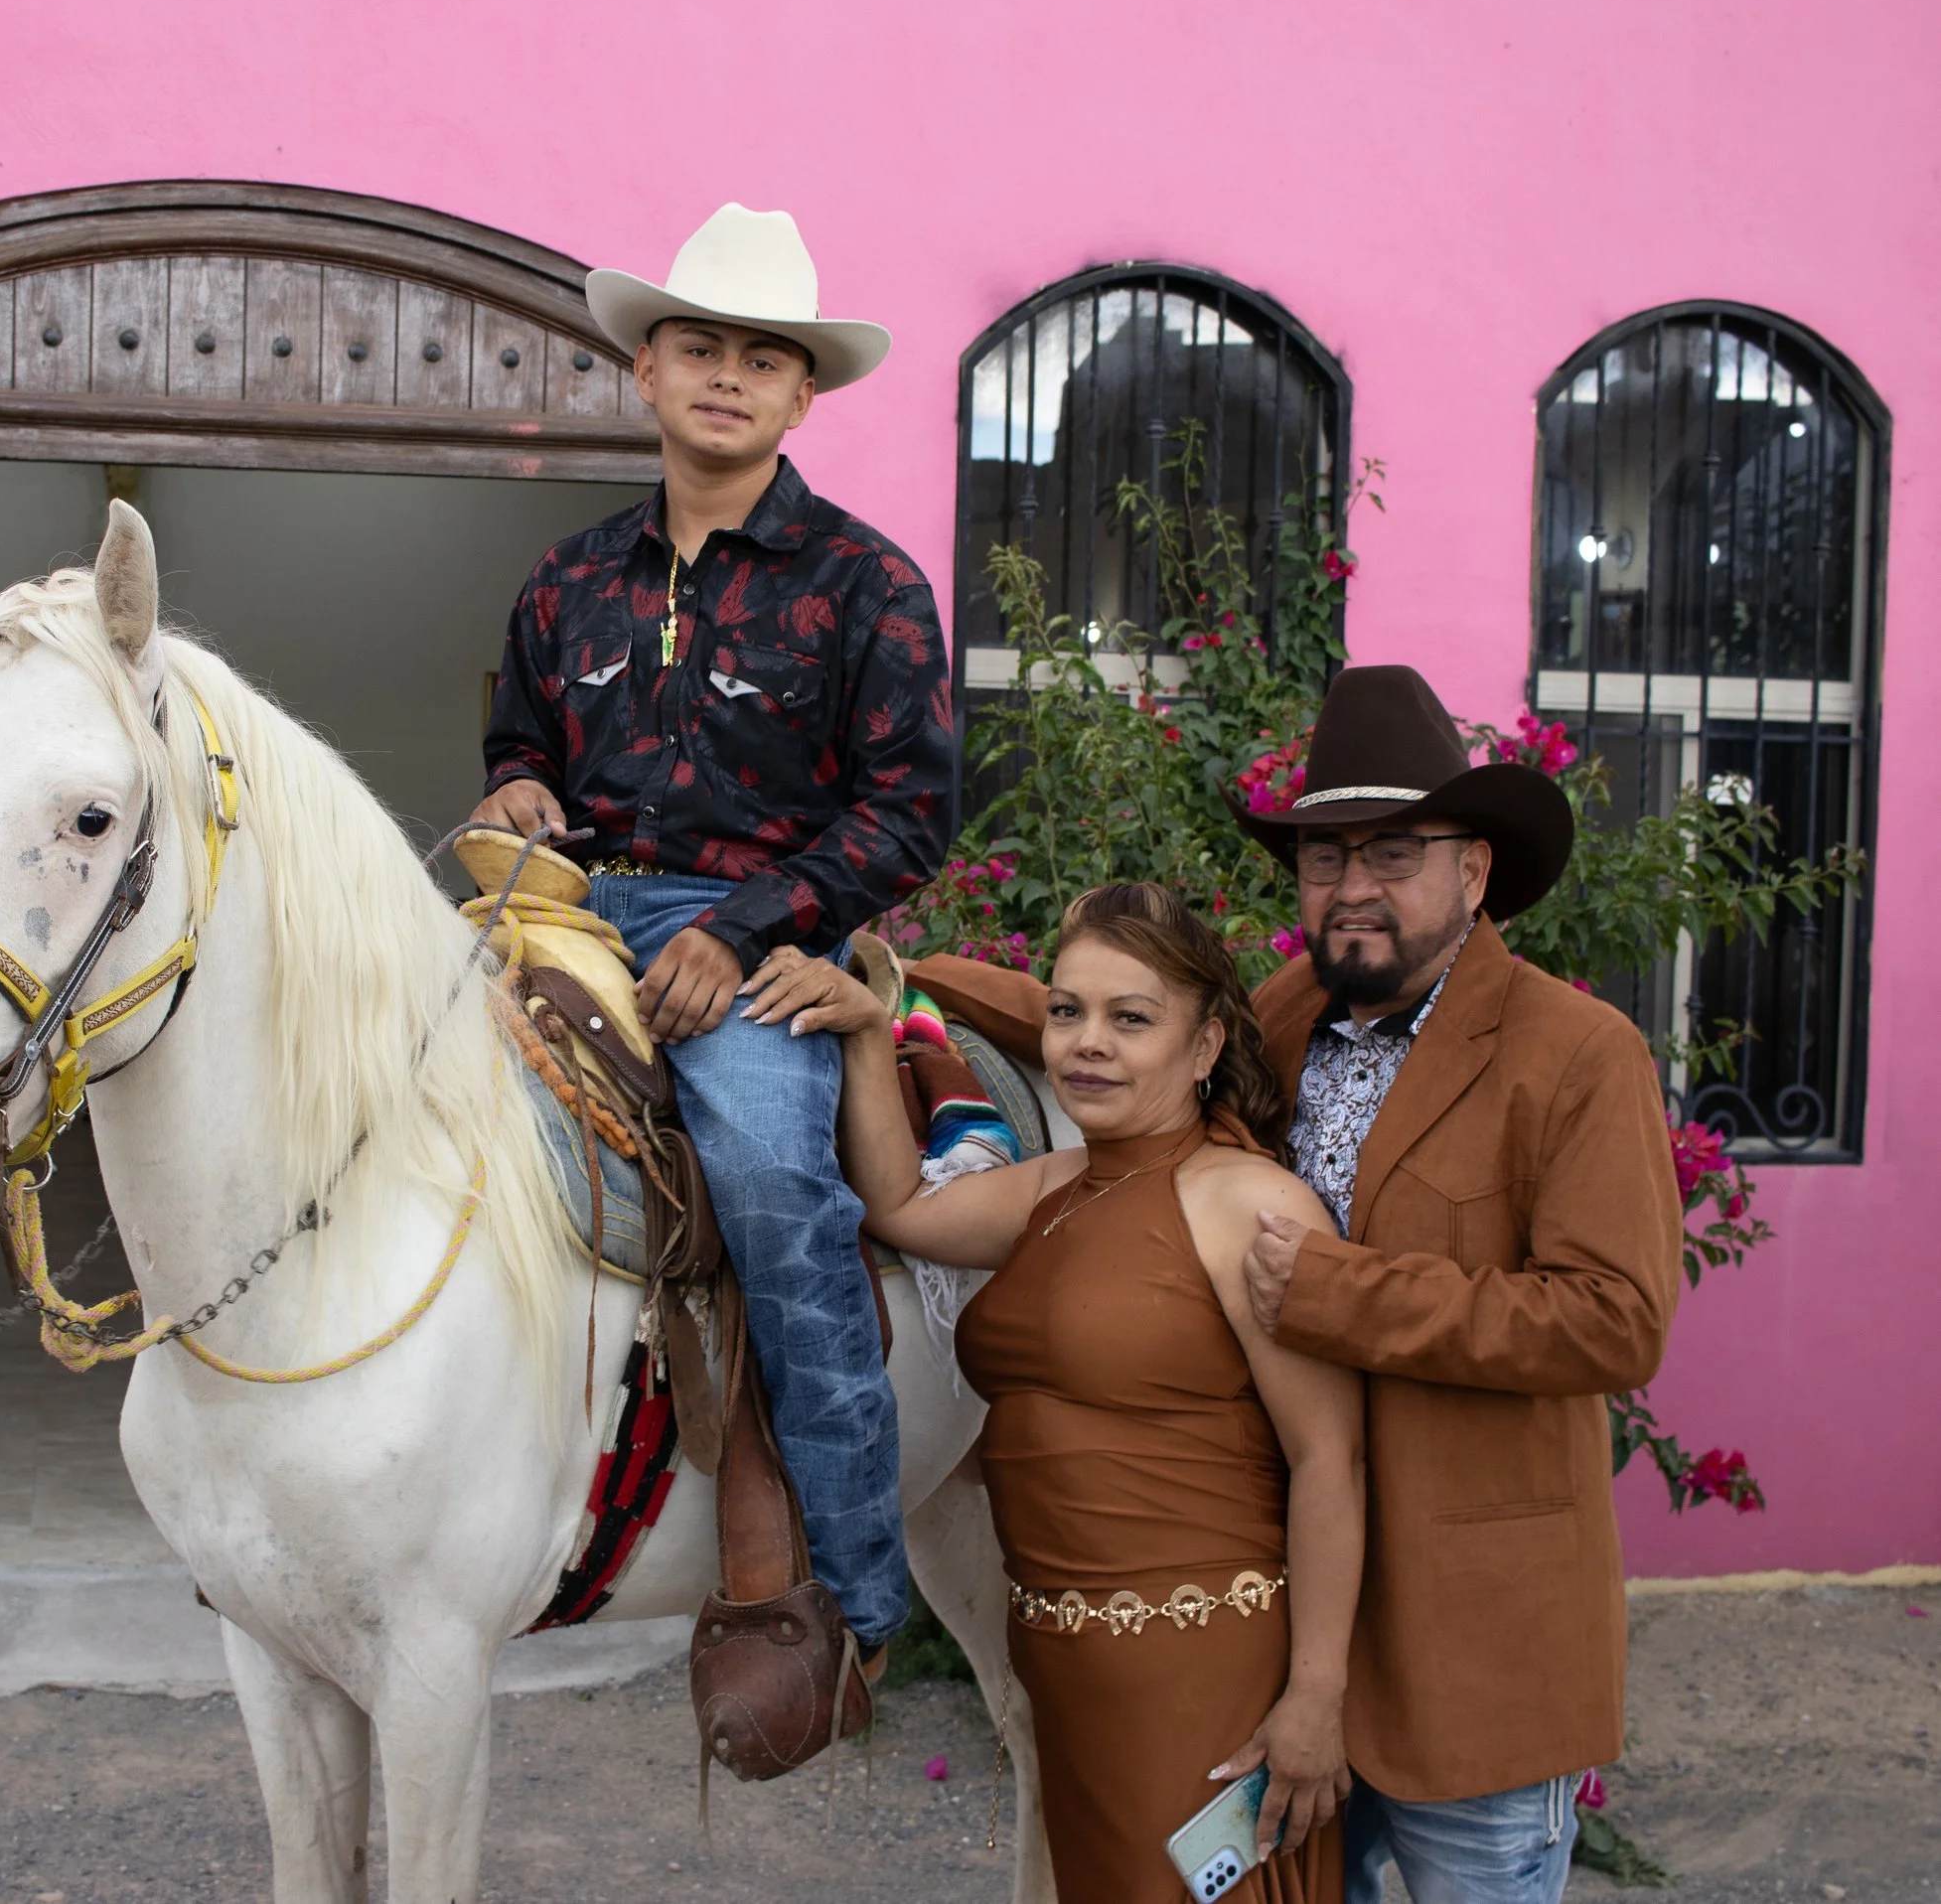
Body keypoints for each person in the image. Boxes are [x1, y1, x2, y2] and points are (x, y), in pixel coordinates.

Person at [470, 204, 954, 1670]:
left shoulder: (866, 585)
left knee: (769, 1184)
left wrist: (744, 934)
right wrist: (518, 785)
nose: (727, 375)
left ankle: (861, 1594)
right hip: (571, 905)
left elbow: (910, 813)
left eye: (764, 357)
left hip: (754, 928)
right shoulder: (566, 582)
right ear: (647, 373)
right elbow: (514, 739)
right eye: (698, 348)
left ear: (806, 394)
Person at [747, 883, 1365, 1900]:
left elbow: (1328, 1459)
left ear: (1204, 1044)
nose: (1086, 1043)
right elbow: (898, 1206)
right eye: (1068, 1011)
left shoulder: (1249, 1202)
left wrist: (1316, 1694)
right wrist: (868, 1031)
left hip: (1204, 1674)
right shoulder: (1051, 1185)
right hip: (1064, 1670)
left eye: (1131, 1018)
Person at [1228, 664, 1683, 1904]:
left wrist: (1339, 1291)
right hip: (1284, 1624)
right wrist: (907, 999)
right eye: (1324, 857)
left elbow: (1615, 1317)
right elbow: (1109, 1044)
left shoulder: (1578, 1053)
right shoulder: (1273, 1019)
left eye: (1392, 850)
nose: (1353, 886)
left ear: (1472, 872)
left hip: (1475, 1645)